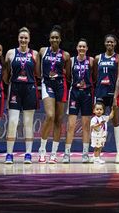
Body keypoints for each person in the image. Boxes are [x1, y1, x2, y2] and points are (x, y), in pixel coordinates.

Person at [3, 27, 40, 164]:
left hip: (30, 88)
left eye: (26, 38)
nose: (23, 40)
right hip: (15, 89)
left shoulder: (35, 54)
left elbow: (38, 74)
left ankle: (28, 154)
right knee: (12, 122)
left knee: (28, 123)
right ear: (18, 39)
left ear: (29, 39)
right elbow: (6, 76)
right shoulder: (10, 53)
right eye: (21, 37)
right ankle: (9, 154)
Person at [38, 26, 71, 164]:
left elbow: (68, 74)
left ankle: (53, 153)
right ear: (49, 39)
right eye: (52, 37)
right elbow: (37, 69)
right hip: (47, 84)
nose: (54, 39)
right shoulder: (42, 51)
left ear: (60, 39)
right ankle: (42, 149)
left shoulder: (66, 55)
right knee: (50, 116)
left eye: (56, 37)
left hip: (60, 86)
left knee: (58, 120)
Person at [94, 34, 119, 163]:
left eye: (112, 42)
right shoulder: (98, 58)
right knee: (98, 123)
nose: (110, 44)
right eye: (108, 42)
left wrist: (115, 96)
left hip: (113, 93)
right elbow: (95, 76)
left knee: (116, 122)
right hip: (100, 92)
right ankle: (96, 154)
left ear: (115, 44)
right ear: (104, 43)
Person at [64, 39, 94, 163]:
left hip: (87, 94)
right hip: (75, 93)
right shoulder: (71, 61)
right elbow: (68, 77)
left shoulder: (91, 61)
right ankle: (66, 154)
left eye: (84, 47)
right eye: (79, 46)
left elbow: (95, 76)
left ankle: (85, 154)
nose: (82, 48)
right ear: (77, 48)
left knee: (86, 126)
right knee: (71, 125)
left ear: (87, 48)